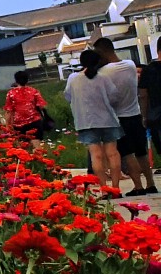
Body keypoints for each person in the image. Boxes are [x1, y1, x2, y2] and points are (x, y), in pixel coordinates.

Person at [92, 37, 154, 196]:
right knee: (141, 152)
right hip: (135, 113)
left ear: (101, 53)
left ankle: (138, 186)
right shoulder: (131, 65)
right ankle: (150, 183)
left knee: (127, 153)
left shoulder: (103, 72)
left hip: (118, 118)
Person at [66, 48, 126, 192]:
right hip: (107, 120)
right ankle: (116, 188)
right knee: (113, 154)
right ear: (98, 62)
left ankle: (104, 188)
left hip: (85, 122)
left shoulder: (73, 79)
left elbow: (68, 96)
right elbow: (114, 97)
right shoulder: (104, 78)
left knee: (96, 156)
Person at [3, 70, 52, 139]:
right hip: (34, 122)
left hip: (19, 124)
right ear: (27, 80)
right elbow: (42, 106)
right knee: (37, 147)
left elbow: (9, 111)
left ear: (16, 80)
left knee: (23, 147)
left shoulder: (11, 94)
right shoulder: (34, 91)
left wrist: (7, 125)